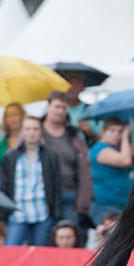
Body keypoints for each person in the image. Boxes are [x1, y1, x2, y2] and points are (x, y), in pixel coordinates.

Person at [0, 116, 61, 246]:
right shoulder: (11, 155)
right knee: (11, 251)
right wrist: (4, 214)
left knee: (40, 254)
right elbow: (4, 185)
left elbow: (56, 185)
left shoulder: (50, 155)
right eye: (28, 129)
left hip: (42, 212)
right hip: (18, 212)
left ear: (41, 131)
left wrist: (55, 213)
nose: (31, 132)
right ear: (22, 131)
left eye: (35, 129)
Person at [41, 91, 93, 228]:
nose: (60, 111)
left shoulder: (74, 135)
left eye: (64, 108)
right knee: (42, 242)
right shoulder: (34, 131)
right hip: (40, 196)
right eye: (57, 107)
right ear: (48, 107)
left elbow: (85, 169)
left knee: (68, 238)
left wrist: (84, 201)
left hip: (69, 194)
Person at [89, 118, 133, 226]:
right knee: (110, 238)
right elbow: (125, 160)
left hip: (121, 205)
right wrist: (125, 137)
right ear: (103, 131)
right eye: (112, 130)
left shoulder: (114, 150)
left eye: (120, 131)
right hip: (105, 205)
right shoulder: (99, 148)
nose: (116, 135)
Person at [65, 73, 101, 145]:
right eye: (69, 83)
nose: (73, 87)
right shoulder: (53, 110)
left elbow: (104, 142)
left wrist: (90, 133)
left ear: (84, 87)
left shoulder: (93, 111)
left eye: (77, 84)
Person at [0, 102, 25, 167]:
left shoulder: (29, 140)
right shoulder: (0, 144)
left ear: (22, 116)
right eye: (8, 115)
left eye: (15, 114)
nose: (12, 119)